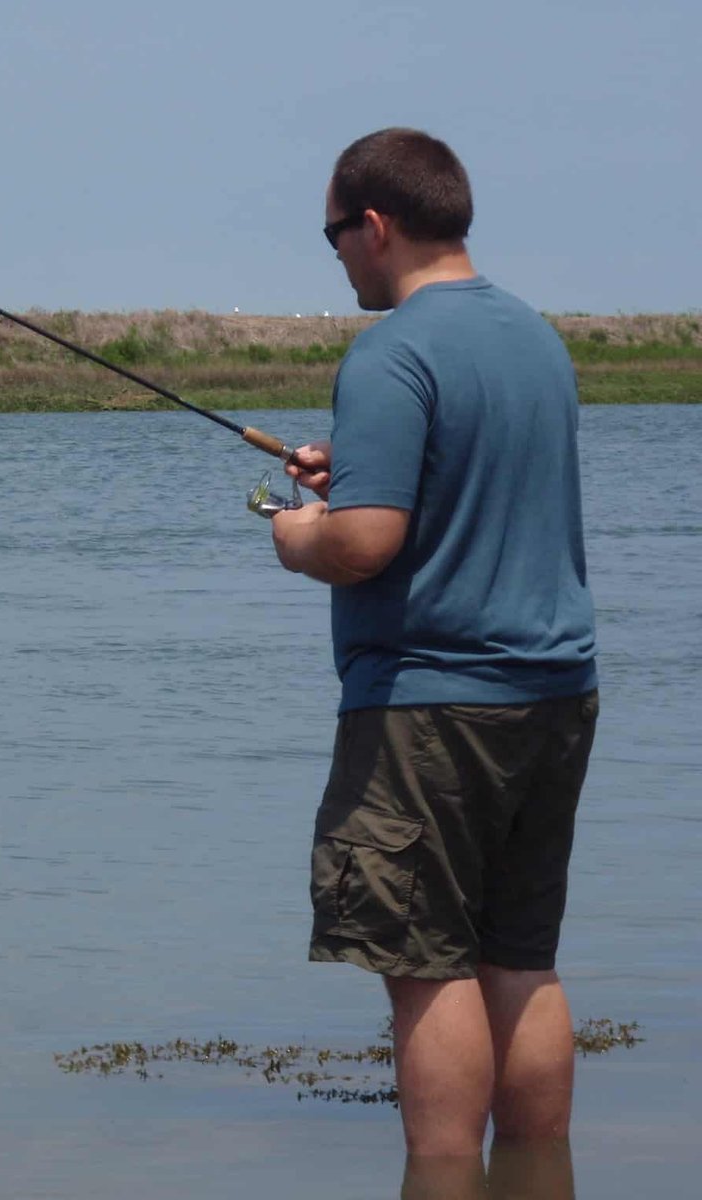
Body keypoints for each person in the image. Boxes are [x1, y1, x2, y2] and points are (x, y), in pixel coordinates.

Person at [270, 128, 599, 1163]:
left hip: (428, 705)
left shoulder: (391, 350)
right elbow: (466, 483)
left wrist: (297, 534)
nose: (335, 257)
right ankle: (539, 1175)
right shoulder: (534, 337)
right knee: (520, 958)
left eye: (332, 236)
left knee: (425, 964)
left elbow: (364, 543)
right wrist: (358, 470)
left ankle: (443, 1179)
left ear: (374, 226)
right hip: (554, 694)